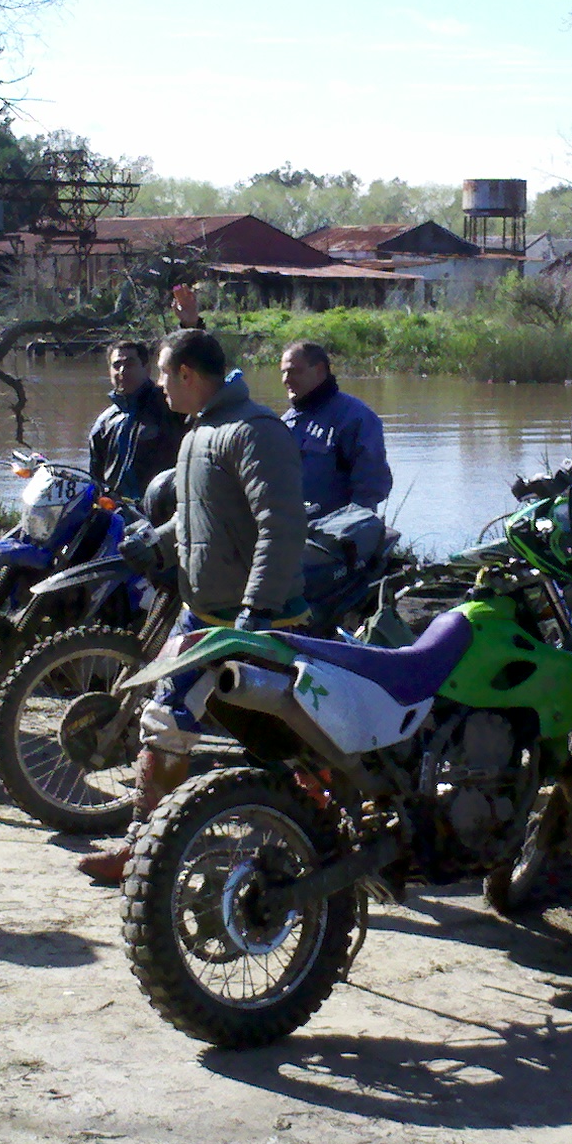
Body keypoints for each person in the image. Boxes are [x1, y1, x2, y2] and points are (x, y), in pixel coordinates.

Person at [78, 326, 304, 885]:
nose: (157, 384)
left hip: (256, 619)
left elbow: (281, 525)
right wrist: (158, 539)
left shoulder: (255, 431)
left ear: (186, 374)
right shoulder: (199, 433)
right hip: (203, 612)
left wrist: (258, 608)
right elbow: (201, 516)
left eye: (161, 373)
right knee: (164, 722)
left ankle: (320, 843)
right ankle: (144, 846)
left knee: (292, 742)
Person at [279, 341, 391, 514]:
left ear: (319, 370)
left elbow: (372, 486)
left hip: (338, 534)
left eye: (294, 371)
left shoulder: (355, 418)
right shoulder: (285, 423)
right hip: (291, 532)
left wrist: (347, 530)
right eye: (284, 373)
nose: (286, 380)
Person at [86, 338, 185, 504]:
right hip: (118, 514)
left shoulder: (170, 405)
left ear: (147, 369)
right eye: (116, 365)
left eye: (130, 364)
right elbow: (95, 480)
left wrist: (189, 325)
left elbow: (191, 372)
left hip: (162, 510)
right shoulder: (104, 423)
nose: (122, 370)